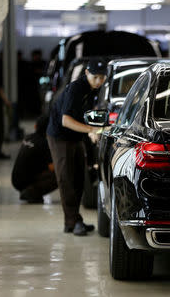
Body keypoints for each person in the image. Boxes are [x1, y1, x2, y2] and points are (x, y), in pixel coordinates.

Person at [46, 58, 106, 236]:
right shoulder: (76, 89)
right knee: (66, 178)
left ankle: (72, 221)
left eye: (102, 78)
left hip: (75, 136)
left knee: (80, 177)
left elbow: (85, 114)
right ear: (87, 73)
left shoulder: (92, 89)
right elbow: (66, 120)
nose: (99, 81)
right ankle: (73, 221)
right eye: (96, 77)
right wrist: (91, 130)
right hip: (60, 137)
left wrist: (92, 129)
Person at [11, 115, 57, 203]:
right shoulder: (44, 143)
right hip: (25, 182)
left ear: (35, 126)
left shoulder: (28, 137)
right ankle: (32, 193)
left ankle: (29, 190)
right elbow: (52, 167)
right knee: (59, 174)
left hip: (15, 180)